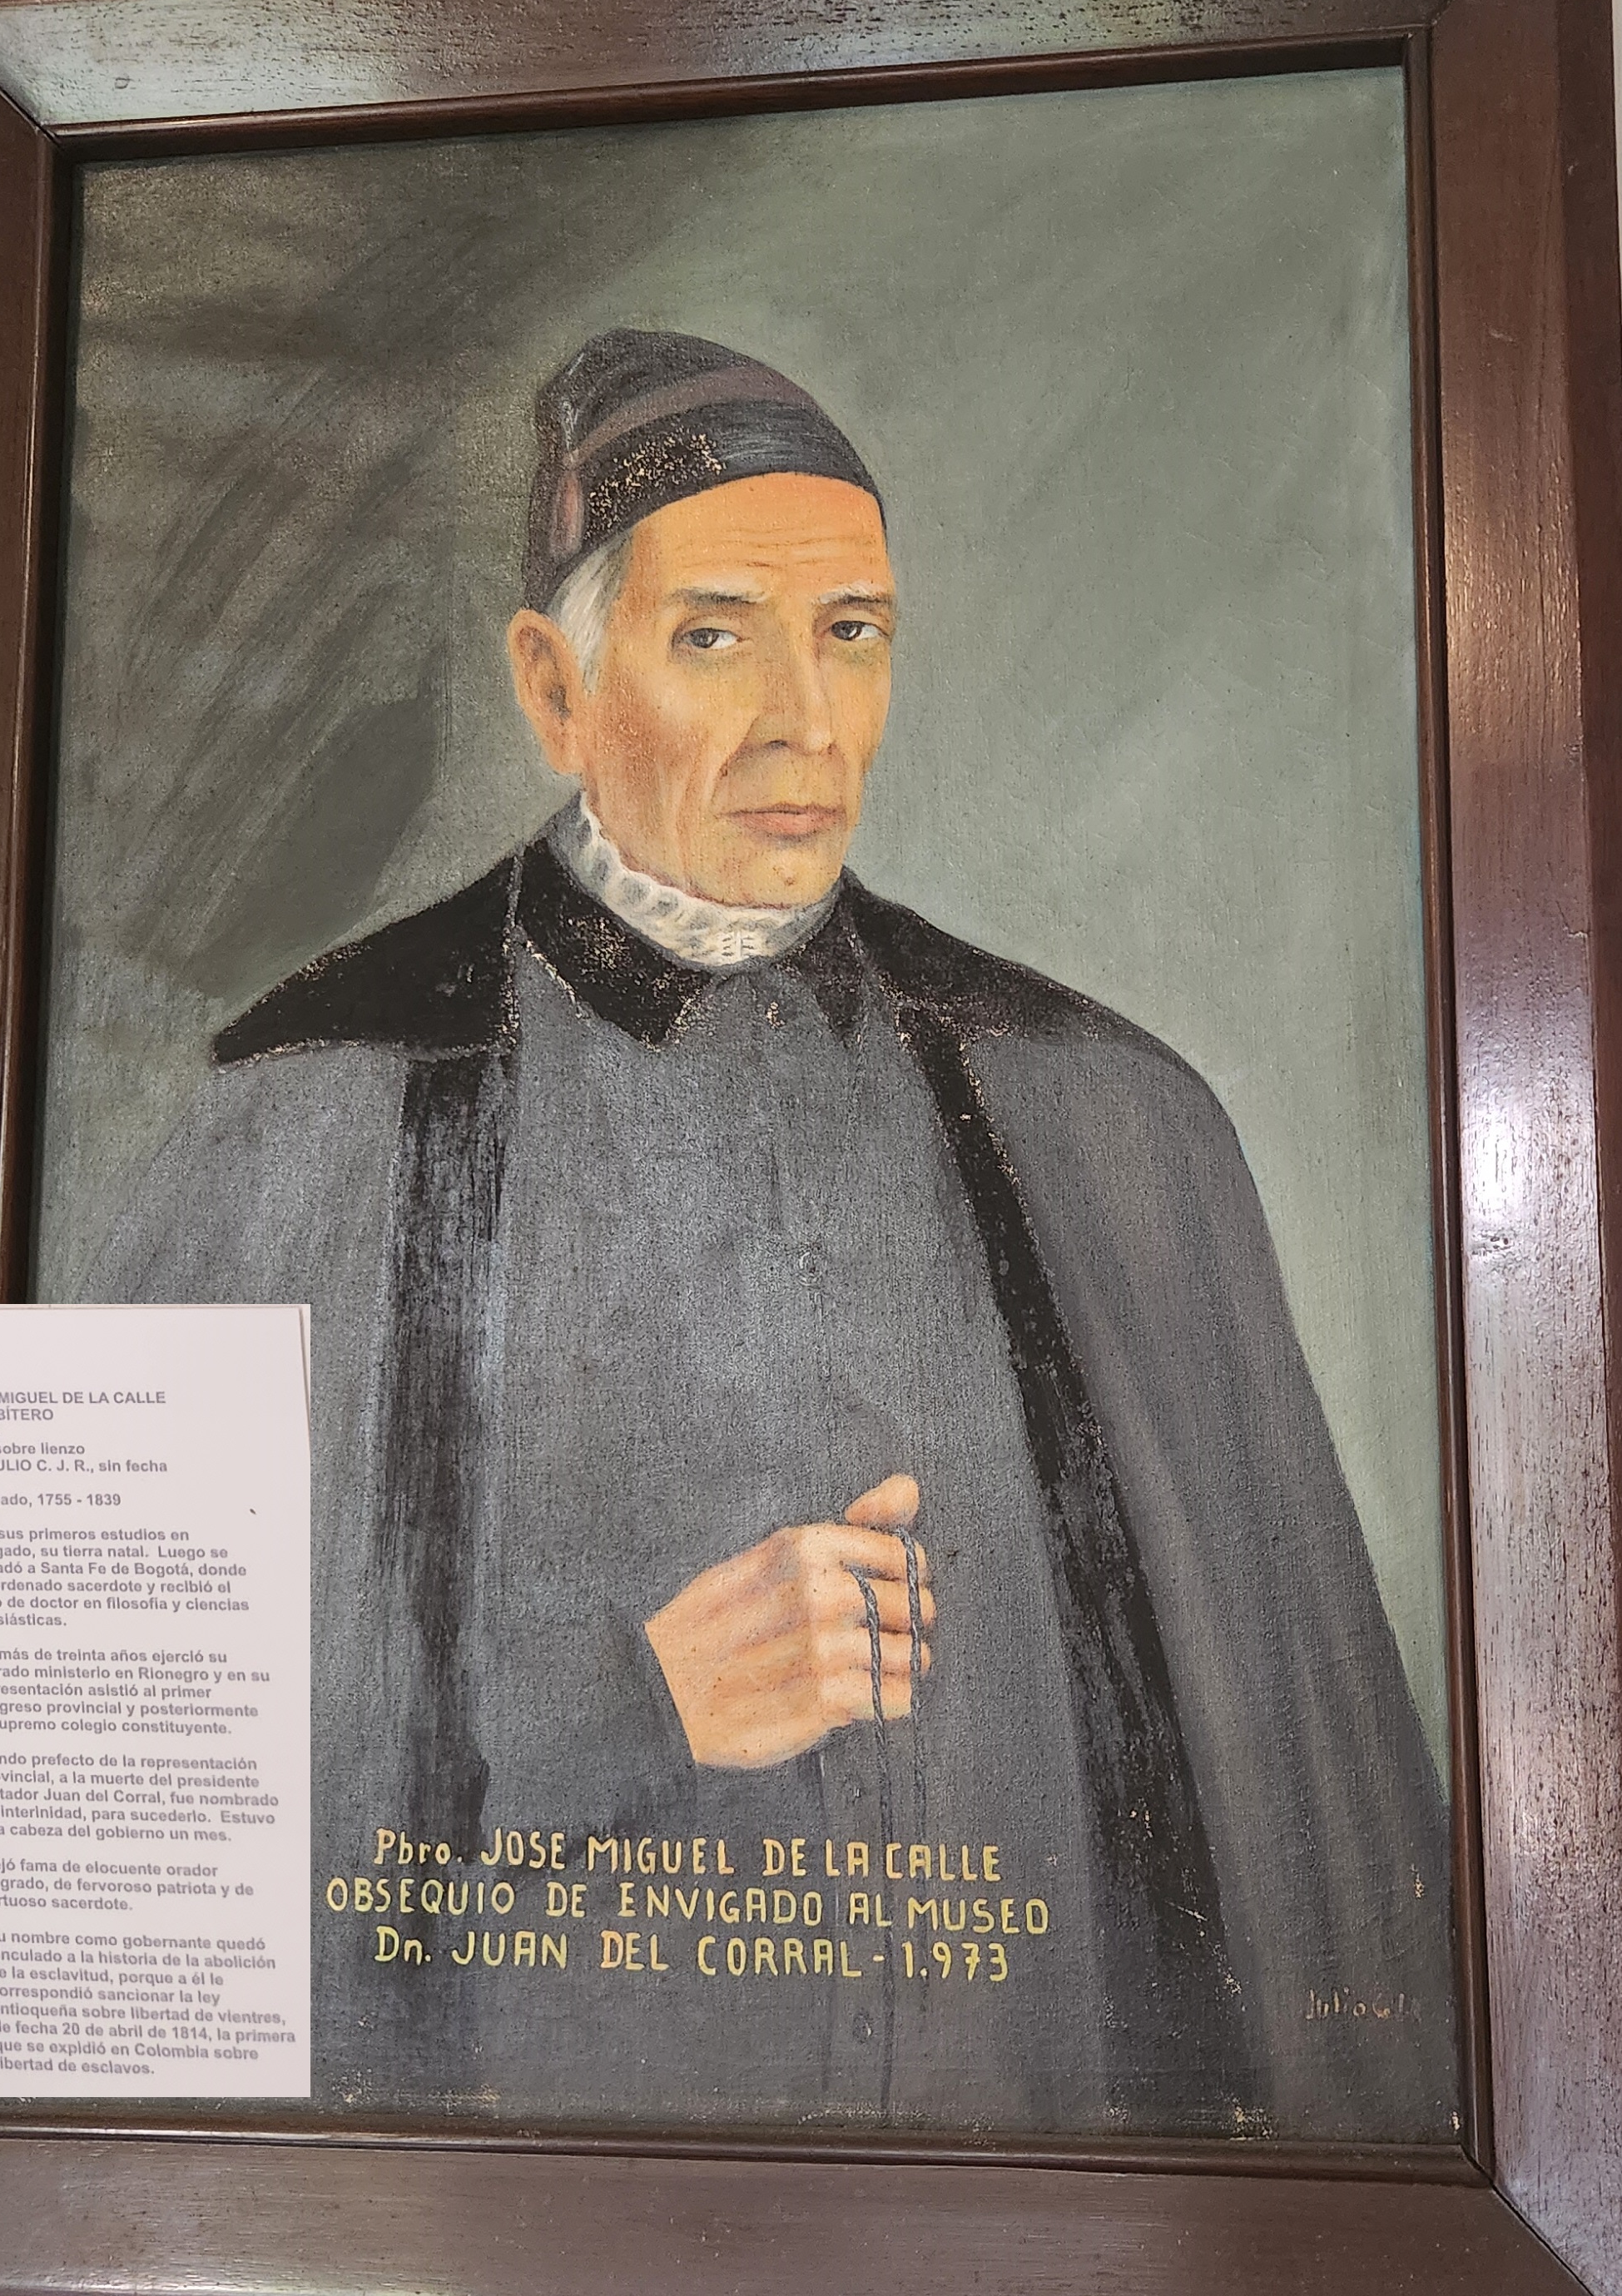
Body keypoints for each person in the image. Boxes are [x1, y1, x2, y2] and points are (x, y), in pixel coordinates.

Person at [100, 329, 1456, 2140]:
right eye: (716, 632)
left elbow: (1337, 1887)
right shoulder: (302, 1106)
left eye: (852, 635)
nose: (804, 724)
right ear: (553, 685)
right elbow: (106, 1816)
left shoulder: (1113, 1124)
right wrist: (622, 1695)